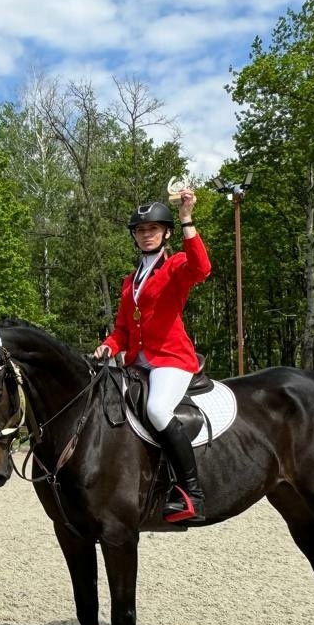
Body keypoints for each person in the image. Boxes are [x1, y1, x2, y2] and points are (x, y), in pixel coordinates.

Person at [93, 191, 211, 523]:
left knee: (157, 409)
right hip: (136, 360)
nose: (147, 235)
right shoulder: (129, 281)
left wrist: (187, 218)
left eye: (153, 229)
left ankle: (192, 493)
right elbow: (121, 331)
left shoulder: (175, 266)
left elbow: (201, 268)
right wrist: (108, 346)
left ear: (167, 233)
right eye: (141, 230)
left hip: (170, 358)